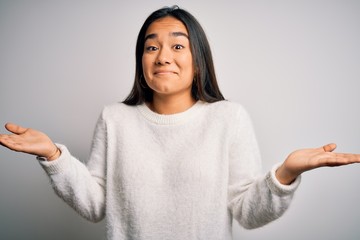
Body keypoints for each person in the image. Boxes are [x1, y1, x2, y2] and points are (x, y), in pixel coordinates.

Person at [0, 6, 359, 240]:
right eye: (151, 47)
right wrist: (53, 156)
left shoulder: (227, 118)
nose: (162, 57)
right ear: (141, 59)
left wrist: (285, 174)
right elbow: (96, 206)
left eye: (177, 46)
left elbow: (247, 213)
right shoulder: (115, 119)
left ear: (198, 59)